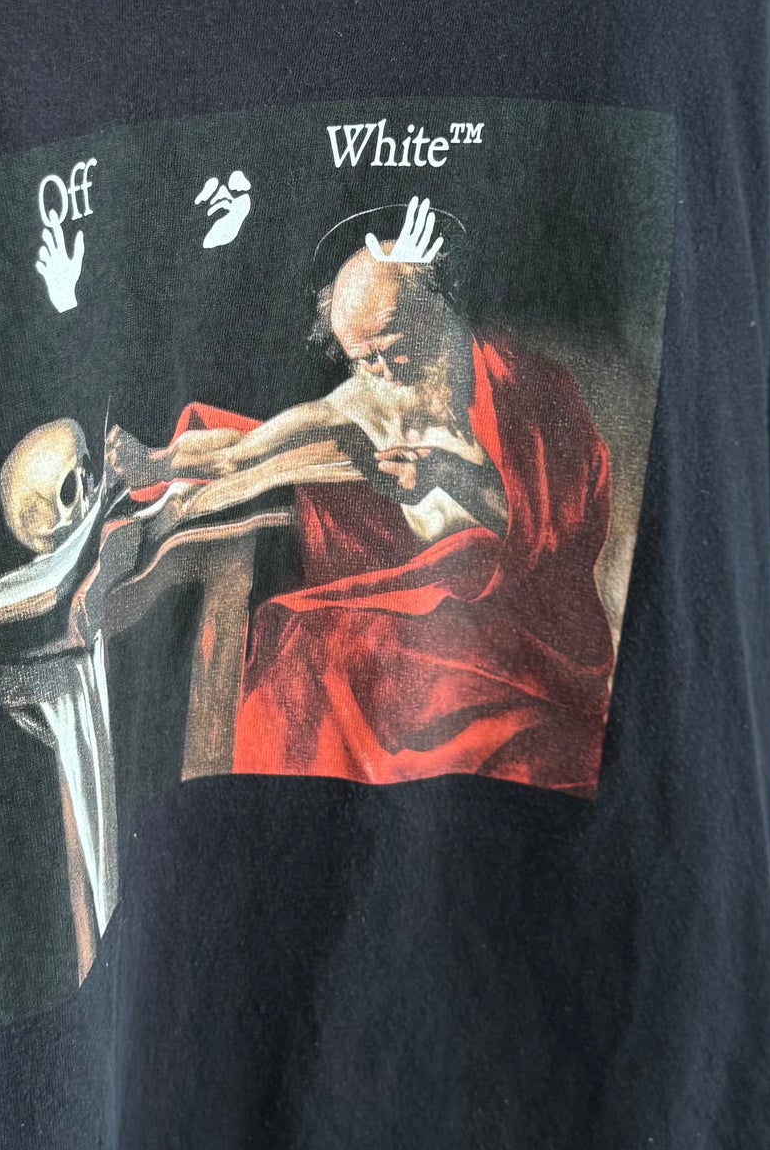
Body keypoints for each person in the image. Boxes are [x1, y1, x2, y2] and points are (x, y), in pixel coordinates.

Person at [107, 205, 618, 795]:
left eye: (390, 349)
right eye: (362, 358)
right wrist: (158, 463)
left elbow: (541, 533)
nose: (380, 370)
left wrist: (448, 474)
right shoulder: (363, 400)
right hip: (419, 602)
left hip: (522, 625)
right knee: (299, 645)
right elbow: (241, 450)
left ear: (434, 309)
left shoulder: (516, 384)